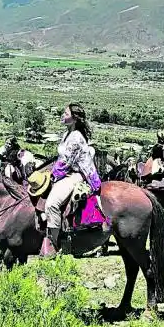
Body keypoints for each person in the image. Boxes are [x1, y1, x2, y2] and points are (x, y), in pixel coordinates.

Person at [42, 103, 102, 257]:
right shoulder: (67, 134)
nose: (63, 115)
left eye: (66, 113)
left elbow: (65, 162)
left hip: (79, 174)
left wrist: (52, 176)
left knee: (52, 204)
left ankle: (54, 245)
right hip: (68, 172)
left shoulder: (76, 137)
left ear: (74, 118)